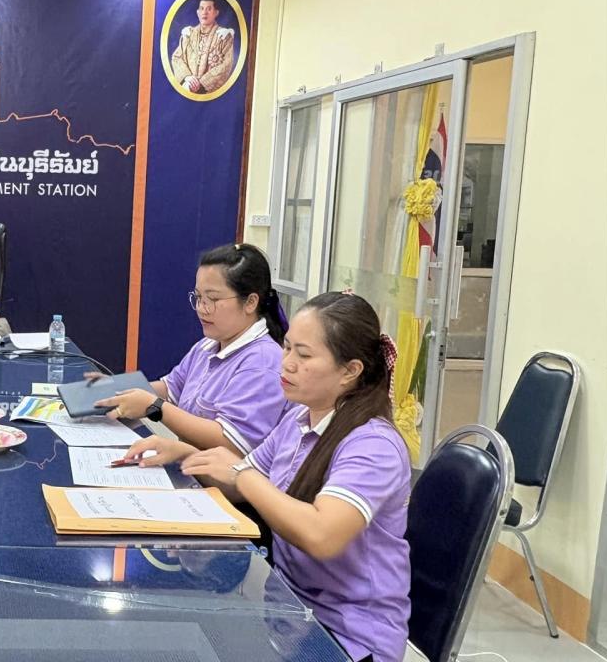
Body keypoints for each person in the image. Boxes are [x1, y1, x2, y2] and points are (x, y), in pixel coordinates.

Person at [120, 292, 411, 662]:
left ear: (350, 370)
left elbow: (321, 535)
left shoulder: (373, 444)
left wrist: (240, 473)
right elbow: (241, 484)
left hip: (346, 638)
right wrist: (187, 456)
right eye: (287, 348)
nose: (286, 364)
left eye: (303, 355)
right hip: (288, 613)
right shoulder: (299, 419)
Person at [96, 244, 286, 458]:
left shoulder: (263, 362)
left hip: (220, 476)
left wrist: (154, 407)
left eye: (213, 299)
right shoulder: (208, 345)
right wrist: (112, 389)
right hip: (190, 464)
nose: (201, 309)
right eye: (198, 298)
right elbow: (171, 387)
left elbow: (232, 442)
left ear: (250, 302)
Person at [169, 0, 236, 94]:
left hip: (210, 94)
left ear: (216, 13)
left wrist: (201, 84)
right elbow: (177, 57)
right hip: (187, 88)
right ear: (198, 12)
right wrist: (187, 77)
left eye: (209, 9)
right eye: (202, 8)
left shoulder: (224, 36)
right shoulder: (188, 34)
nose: (204, 12)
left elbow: (226, 65)